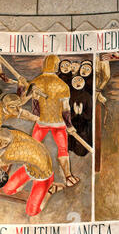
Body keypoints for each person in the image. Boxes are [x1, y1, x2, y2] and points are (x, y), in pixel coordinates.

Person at [30, 55, 79, 187]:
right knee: (63, 149)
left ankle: (31, 171)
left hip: (41, 122)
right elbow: (66, 108)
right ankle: (68, 176)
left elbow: (35, 107)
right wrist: (69, 126)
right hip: (59, 124)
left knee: (33, 146)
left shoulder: (36, 82)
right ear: (57, 67)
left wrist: (37, 118)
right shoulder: (62, 86)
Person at [0, 128, 63, 216]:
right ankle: (25, 181)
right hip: (30, 167)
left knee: (31, 212)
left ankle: (51, 190)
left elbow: (5, 164)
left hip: (43, 174)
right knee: (7, 190)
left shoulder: (8, 155)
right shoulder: (9, 133)